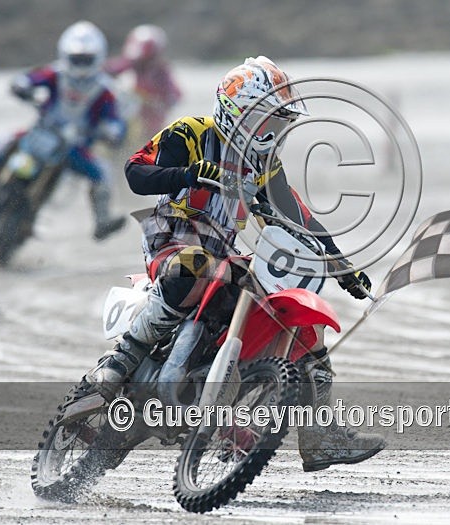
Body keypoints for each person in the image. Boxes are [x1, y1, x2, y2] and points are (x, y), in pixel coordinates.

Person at [86, 56, 385, 471]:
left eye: (279, 122)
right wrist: (188, 174)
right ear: (237, 114)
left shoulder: (264, 165)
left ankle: (320, 433)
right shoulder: (190, 133)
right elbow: (135, 173)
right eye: (267, 121)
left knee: (302, 323)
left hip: (223, 255)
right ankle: (123, 358)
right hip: (171, 241)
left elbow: (298, 215)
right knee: (193, 263)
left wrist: (341, 265)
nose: (273, 132)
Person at [0, 20, 126, 241]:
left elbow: (115, 121)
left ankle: (102, 221)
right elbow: (27, 79)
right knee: (4, 140)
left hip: (74, 148)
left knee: (103, 173)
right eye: (76, 58)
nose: (80, 64)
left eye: (86, 59)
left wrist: (112, 132)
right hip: (41, 134)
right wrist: (22, 86)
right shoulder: (54, 73)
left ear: (98, 57)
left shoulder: (106, 90)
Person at [105, 25, 182, 142]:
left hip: (150, 129)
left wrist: (156, 102)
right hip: (124, 124)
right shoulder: (125, 65)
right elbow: (105, 72)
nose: (141, 63)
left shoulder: (161, 72)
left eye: (146, 59)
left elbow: (175, 95)